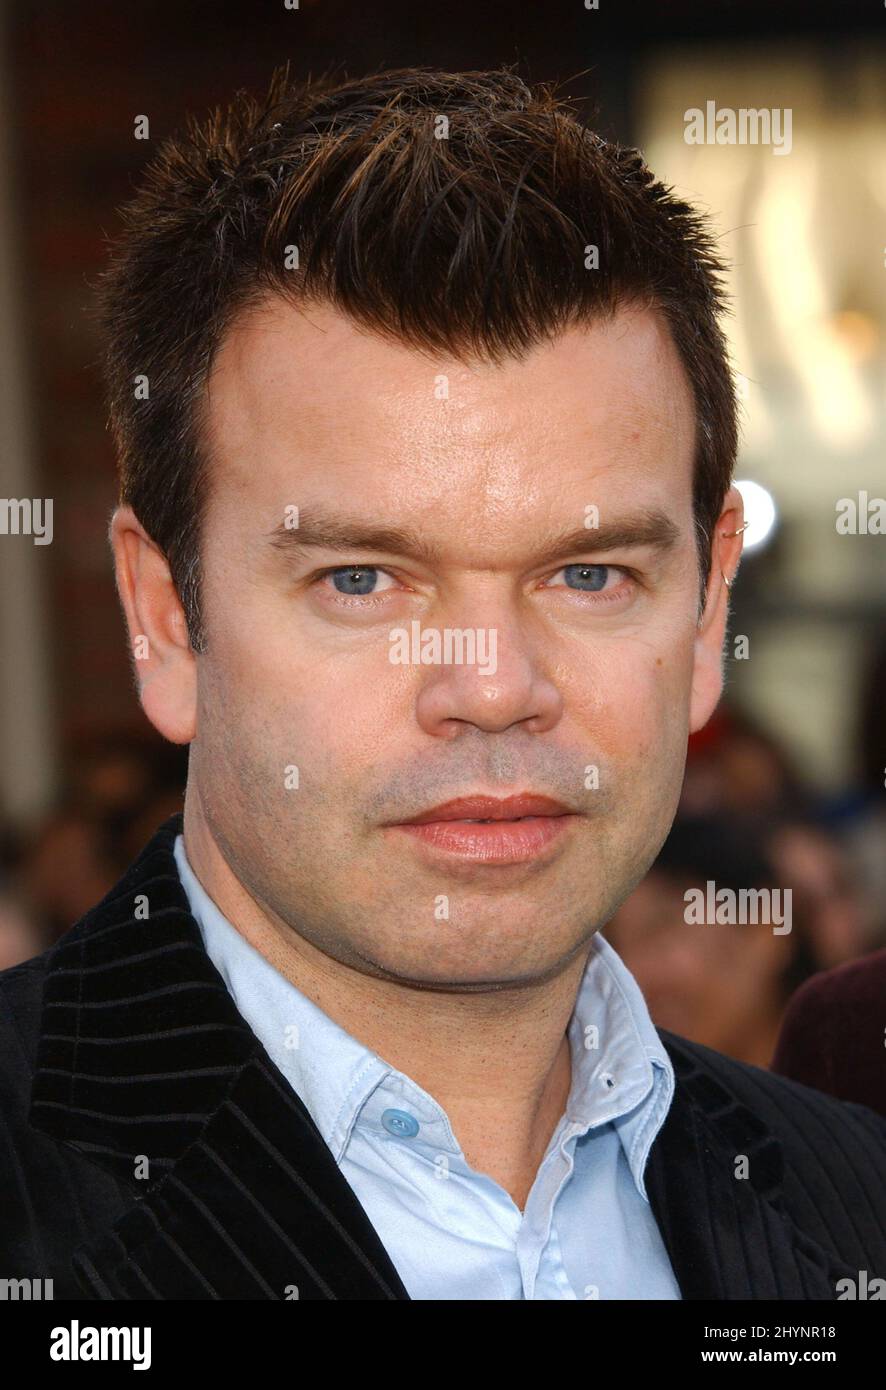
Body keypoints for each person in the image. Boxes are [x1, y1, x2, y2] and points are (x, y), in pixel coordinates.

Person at [1, 65, 884, 1301]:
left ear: (706, 613)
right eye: (363, 581)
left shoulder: (854, 1202)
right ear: (165, 620)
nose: (490, 687)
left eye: (586, 574)